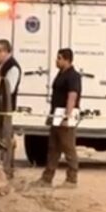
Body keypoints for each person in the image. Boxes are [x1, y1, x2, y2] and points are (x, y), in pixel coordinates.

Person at [36, 48, 81, 189]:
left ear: (66, 59)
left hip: (66, 115)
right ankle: (47, 178)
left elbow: (72, 96)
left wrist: (67, 116)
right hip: (56, 114)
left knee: (68, 147)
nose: (57, 61)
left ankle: (72, 179)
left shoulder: (73, 76)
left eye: (59, 58)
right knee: (53, 147)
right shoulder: (60, 73)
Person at [0, 39, 21, 109]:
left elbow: (9, 89)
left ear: (5, 52)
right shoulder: (0, 65)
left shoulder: (13, 67)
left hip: (5, 108)